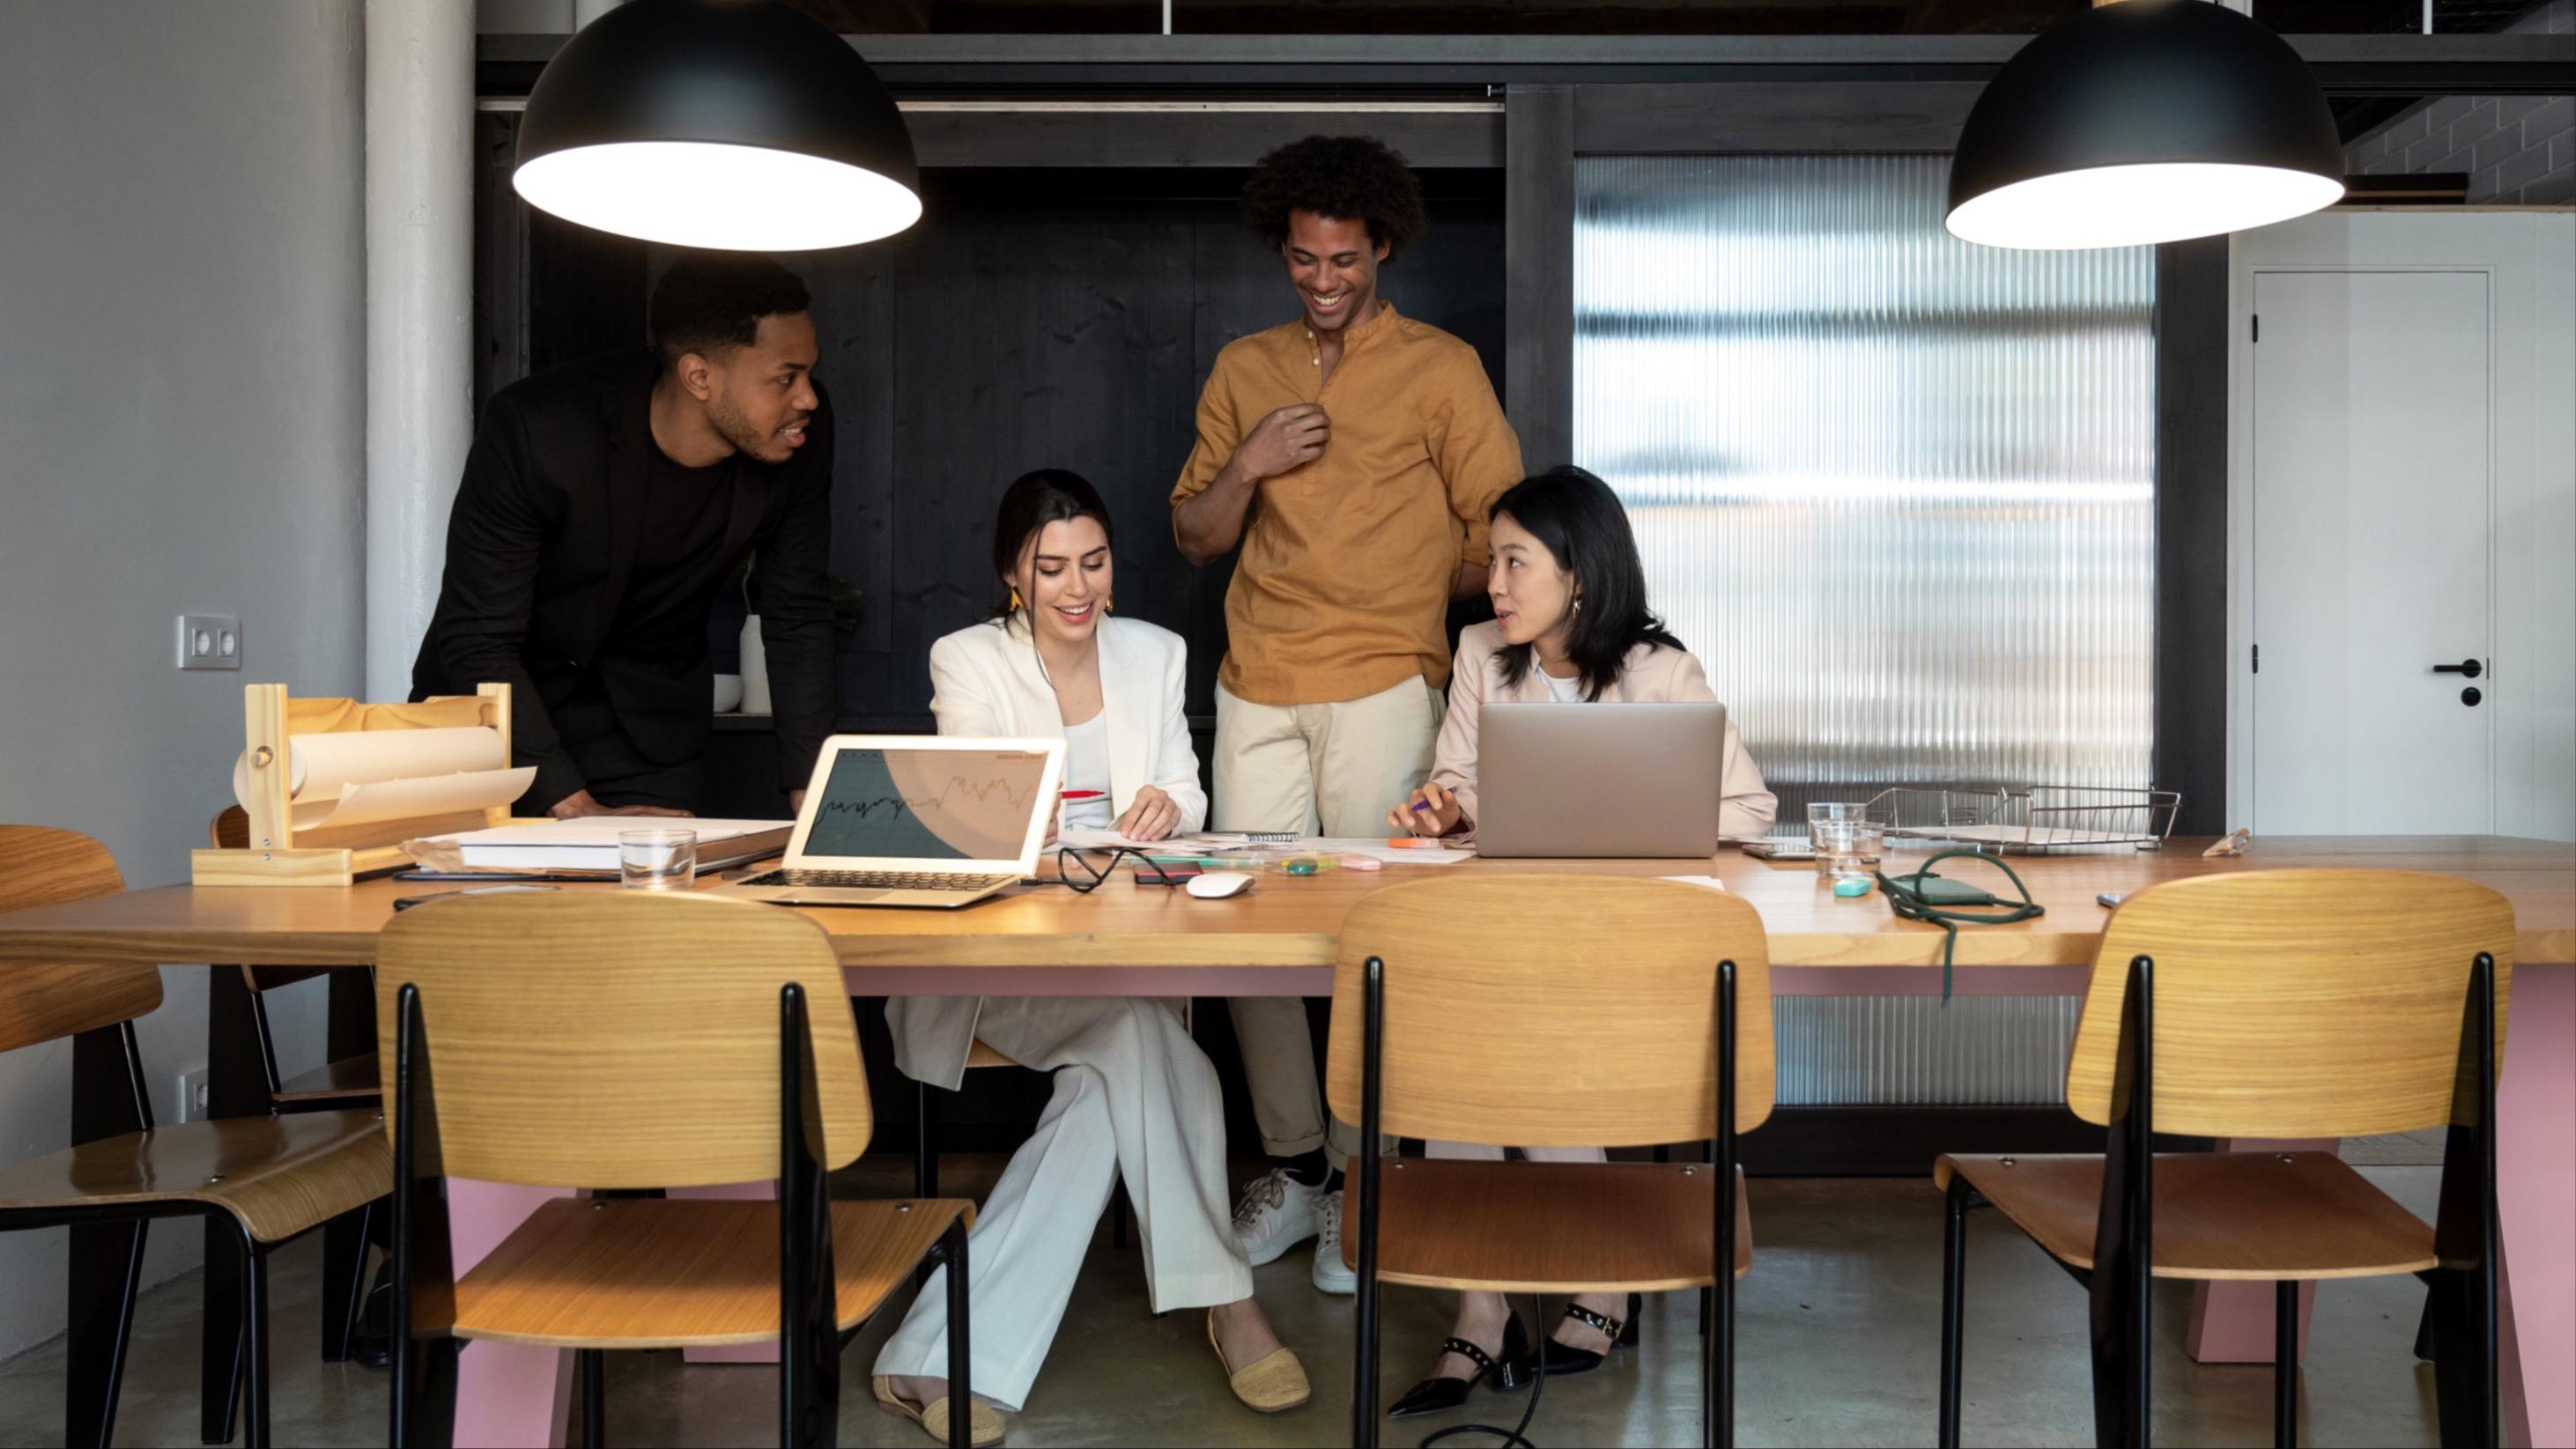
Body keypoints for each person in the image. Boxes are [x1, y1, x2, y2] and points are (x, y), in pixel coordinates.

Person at [871, 470, 1309, 1445]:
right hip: (990, 970)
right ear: (1012, 575)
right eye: (1052, 567)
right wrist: (1087, 832)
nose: (1078, 588)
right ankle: (1228, 1303)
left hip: (1117, 955)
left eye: (1095, 562)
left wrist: (1165, 808)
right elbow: (974, 819)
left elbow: (1186, 796)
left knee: (1115, 1071)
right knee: (1155, 1050)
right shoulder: (967, 659)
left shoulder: (1153, 652)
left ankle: (935, 1354)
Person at [1170, 134, 1524, 1293]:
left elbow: (1501, 526)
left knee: (1374, 937)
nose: (1323, 282)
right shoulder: (1242, 367)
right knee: (1254, 935)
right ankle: (1299, 1168)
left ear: (1384, 248)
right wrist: (1255, 460)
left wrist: (1412, 593)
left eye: (1345, 261)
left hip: (1383, 679)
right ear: (1284, 250)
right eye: (1303, 261)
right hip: (1254, 682)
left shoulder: (1441, 367)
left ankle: (1365, 1177)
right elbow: (1196, 534)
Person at [1379, 463, 1776, 1420]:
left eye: (1515, 562)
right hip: (1515, 933)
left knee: (1521, 1026)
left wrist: (1637, 822)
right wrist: (1442, 810)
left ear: (1579, 574)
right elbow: (1461, 779)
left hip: (1624, 950)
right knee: (1451, 1027)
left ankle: (1600, 1286)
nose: (1493, 584)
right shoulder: (1481, 652)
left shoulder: (1660, 669)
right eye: (1492, 561)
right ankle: (1481, 1307)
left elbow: (1750, 809)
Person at [411, 255, 836, 817]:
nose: (807, 397)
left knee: (651, 899)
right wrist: (574, 809)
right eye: (786, 378)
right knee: (487, 903)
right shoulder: (538, 429)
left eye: (808, 374)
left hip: (648, 731)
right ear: (699, 376)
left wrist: (817, 795)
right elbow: (479, 638)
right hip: (496, 723)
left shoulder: (799, 434)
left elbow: (798, 612)